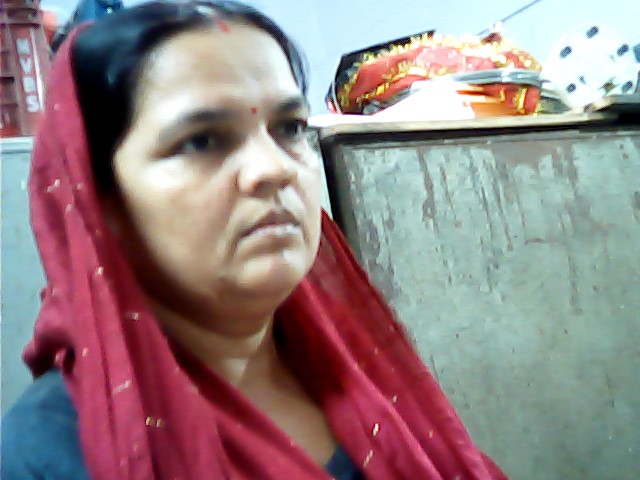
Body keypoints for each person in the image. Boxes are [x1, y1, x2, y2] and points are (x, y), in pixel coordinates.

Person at [1, 2, 508, 479]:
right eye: (201, 140)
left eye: (289, 127)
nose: (273, 168)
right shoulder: (51, 452)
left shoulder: (360, 371)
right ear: (99, 203)